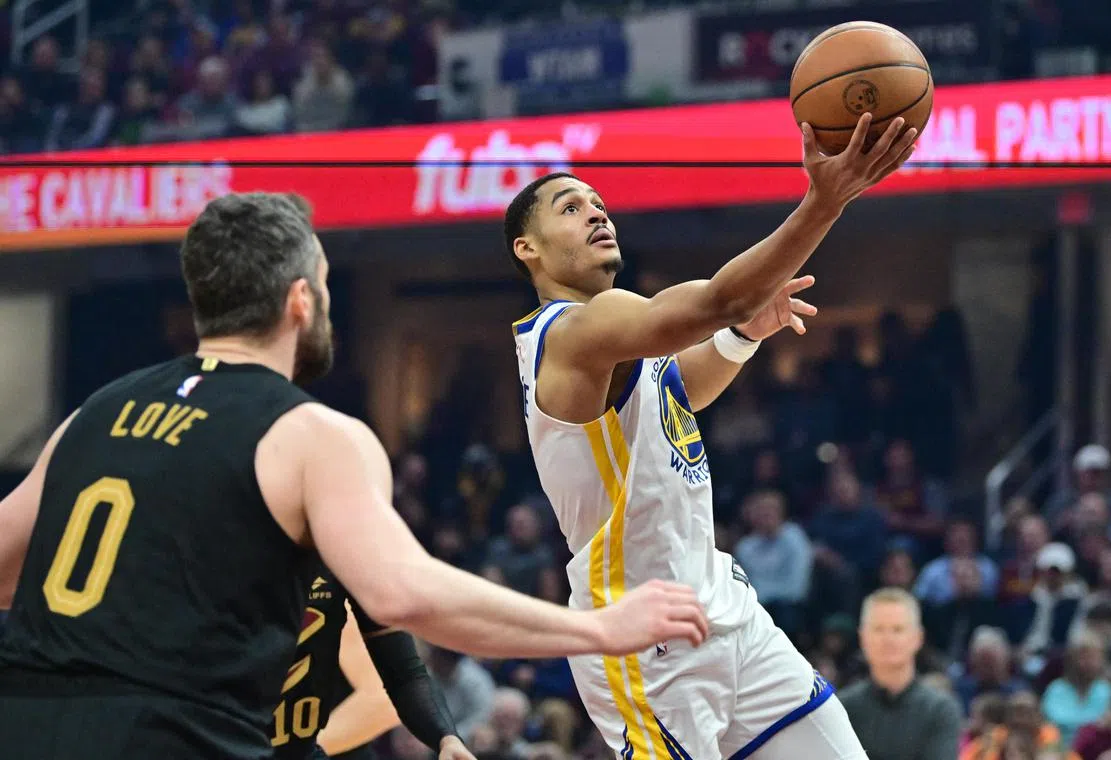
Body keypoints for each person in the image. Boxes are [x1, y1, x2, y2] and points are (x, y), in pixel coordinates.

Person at [0, 191, 710, 760]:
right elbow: (403, 593)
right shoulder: (312, 434)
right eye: (328, 285)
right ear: (301, 300)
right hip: (174, 736)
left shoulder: (93, 414)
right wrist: (597, 627)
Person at [507, 112, 917, 759]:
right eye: (569, 206)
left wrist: (745, 335)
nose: (595, 213)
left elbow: (675, 393)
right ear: (527, 249)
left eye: (599, 203)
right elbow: (715, 301)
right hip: (646, 644)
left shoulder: (617, 337)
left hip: (727, 614)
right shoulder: (570, 332)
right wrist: (824, 201)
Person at [271, 565, 473, 760]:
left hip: (302, 748)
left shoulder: (346, 552)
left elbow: (404, 674)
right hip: (245, 745)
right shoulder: (244, 551)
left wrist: (447, 739)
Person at [838, 588, 962, 760]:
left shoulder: (940, 711)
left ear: (918, 638)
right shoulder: (843, 709)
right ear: (862, 637)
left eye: (897, 629)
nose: (888, 639)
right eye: (878, 629)